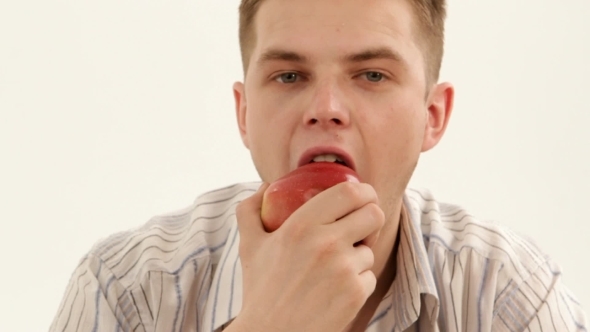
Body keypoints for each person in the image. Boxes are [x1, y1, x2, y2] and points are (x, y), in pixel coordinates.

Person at [50, 0, 587, 331]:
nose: (325, 109)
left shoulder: (503, 290)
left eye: (372, 75)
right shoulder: (126, 289)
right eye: (289, 76)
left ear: (432, 116)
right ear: (244, 113)